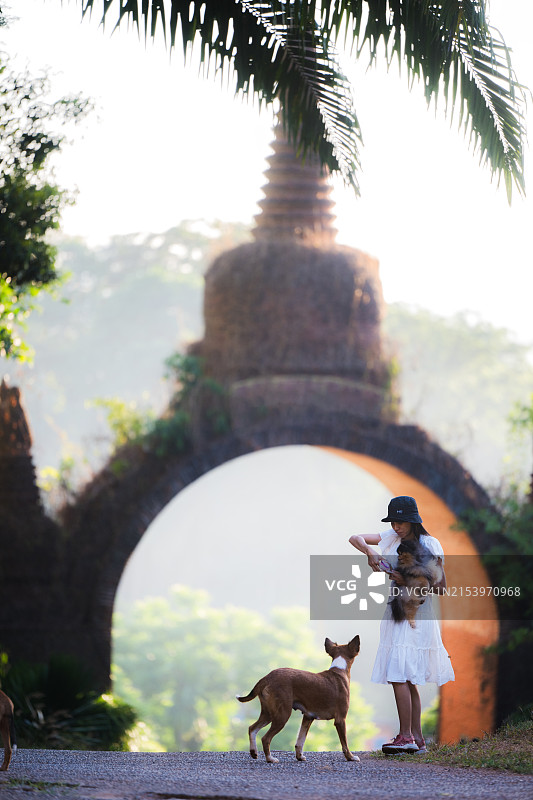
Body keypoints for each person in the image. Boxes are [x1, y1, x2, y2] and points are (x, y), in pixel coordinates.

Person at [348, 495, 454, 754]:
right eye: (393, 522)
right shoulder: (392, 538)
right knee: (406, 677)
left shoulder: (429, 543)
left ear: (413, 521)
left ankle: (405, 736)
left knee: (399, 675)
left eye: (401, 522)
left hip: (417, 615)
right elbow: (355, 538)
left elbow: (440, 586)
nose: (396, 527)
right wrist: (370, 551)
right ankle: (417, 739)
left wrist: (405, 578)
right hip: (396, 613)